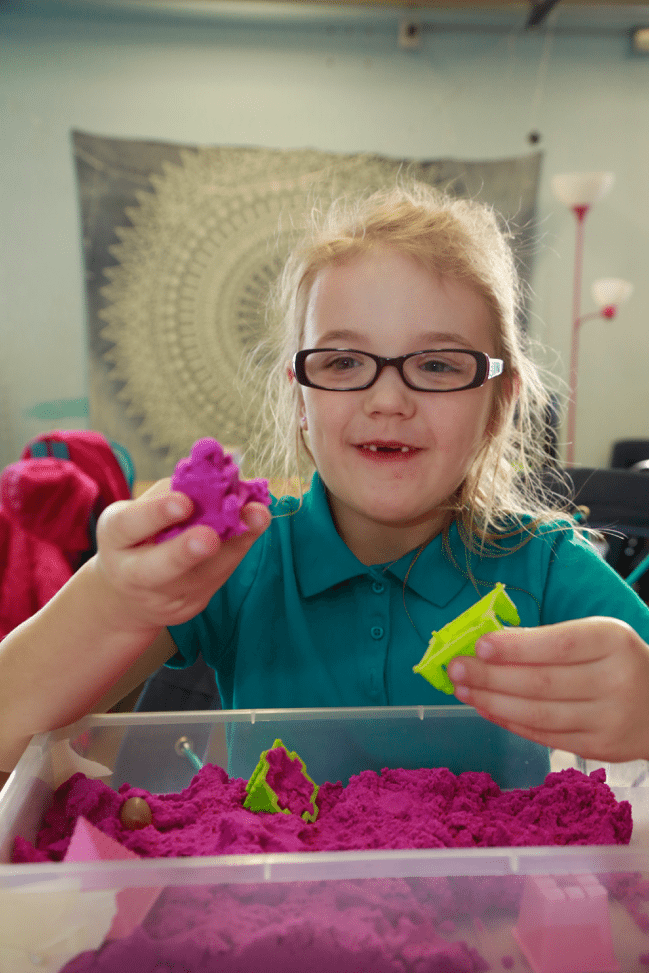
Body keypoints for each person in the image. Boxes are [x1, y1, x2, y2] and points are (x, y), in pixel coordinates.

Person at [2, 182, 649, 789]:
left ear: (499, 400)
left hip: (497, 912)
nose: (388, 398)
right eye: (342, 361)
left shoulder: (544, 566)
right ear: (300, 396)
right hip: (281, 909)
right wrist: (116, 598)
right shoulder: (241, 562)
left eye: (436, 363)